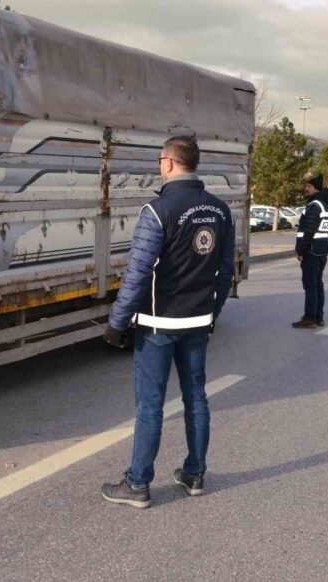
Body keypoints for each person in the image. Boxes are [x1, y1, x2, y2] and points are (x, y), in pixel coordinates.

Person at [100, 135, 235, 508]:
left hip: (158, 325)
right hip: (197, 324)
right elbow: (225, 274)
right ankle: (195, 473)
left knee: (150, 405)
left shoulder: (157, 211)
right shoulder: (221, 211)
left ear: (169, 163)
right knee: (196, 398)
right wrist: (212, 314)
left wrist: (117, 322)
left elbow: (138, 273)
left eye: (161, 160)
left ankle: (138, 483)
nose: (160, 165)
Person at [292, 174, 328, 329]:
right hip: (322, 249)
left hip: (312, 250)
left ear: (315, 188)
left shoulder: (314, 206)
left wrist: (301, 250)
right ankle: (318, 317)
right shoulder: (325, 205)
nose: (306, 189)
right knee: (317, 284)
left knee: (310, 285)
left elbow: (308, 230)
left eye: (309, 186)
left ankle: (310, 317)